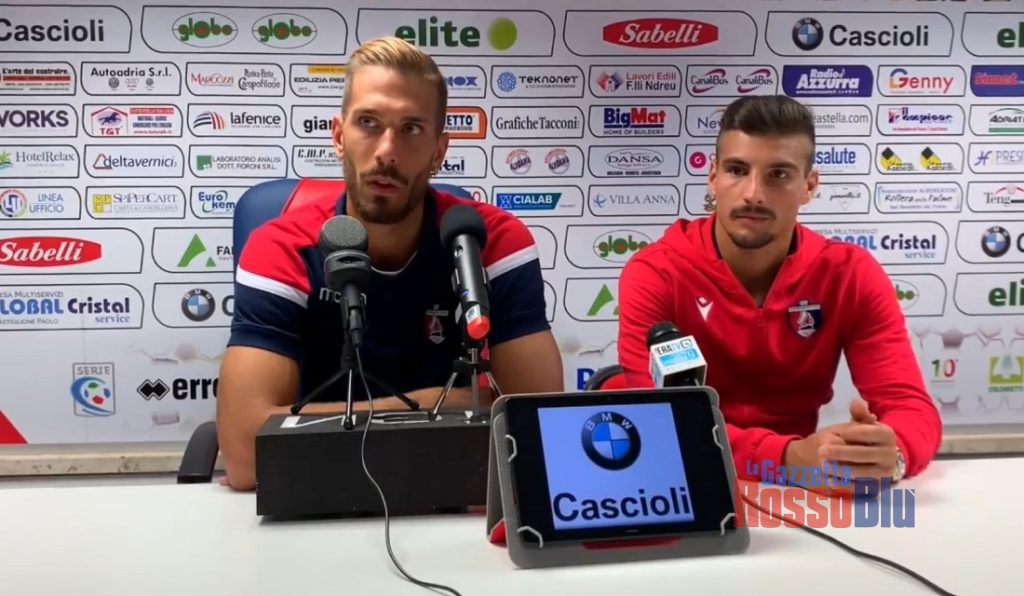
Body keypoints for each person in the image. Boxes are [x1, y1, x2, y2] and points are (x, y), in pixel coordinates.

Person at [217, 37, 564, 491]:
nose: (386, 151)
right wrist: (441, 405)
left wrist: (323, 425)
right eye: (368, 122)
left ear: (439, 151)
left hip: (448, 494)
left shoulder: (492, 241)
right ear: (339, 137)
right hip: (316, 497)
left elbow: (535, 426)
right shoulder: (282, 248)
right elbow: (246, 454)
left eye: (411, 128)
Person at [617, 95, 941, 483]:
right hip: (682, 479)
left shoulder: (850, 274)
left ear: (809, 186)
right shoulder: (657, 272)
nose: (753, 193)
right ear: (713, 177)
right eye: (737, 170)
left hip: (793, 491)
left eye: (779, 175)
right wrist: (788, 460)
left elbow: (910, 407)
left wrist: (890, 453)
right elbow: (658, 422)